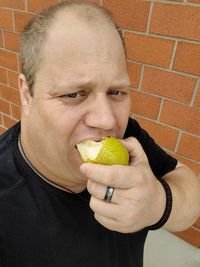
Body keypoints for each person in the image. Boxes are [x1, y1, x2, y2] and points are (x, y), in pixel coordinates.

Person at [0, 1, 199, 266]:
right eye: (73, 94)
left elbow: (186, 187)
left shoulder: (128, 137)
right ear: (27, 95)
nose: (107, 121)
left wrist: (158, 204)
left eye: (116, 92)